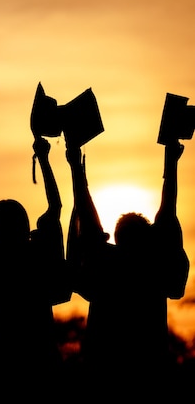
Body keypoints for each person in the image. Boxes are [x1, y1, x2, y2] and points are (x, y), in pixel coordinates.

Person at [65, 137, 190, 398]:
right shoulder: (155, 270)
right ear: (150, 241)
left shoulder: (106, 265)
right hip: (149, 372)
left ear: (118, 238)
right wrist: (171, 163)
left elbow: (87, 220)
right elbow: (167, 212)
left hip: (105, 372)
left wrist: (76, 166)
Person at [0, 136, 72, 400]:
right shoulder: (36, 254)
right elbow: (55, 208)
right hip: (41, 364)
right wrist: (44, 159)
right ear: (24, 226)